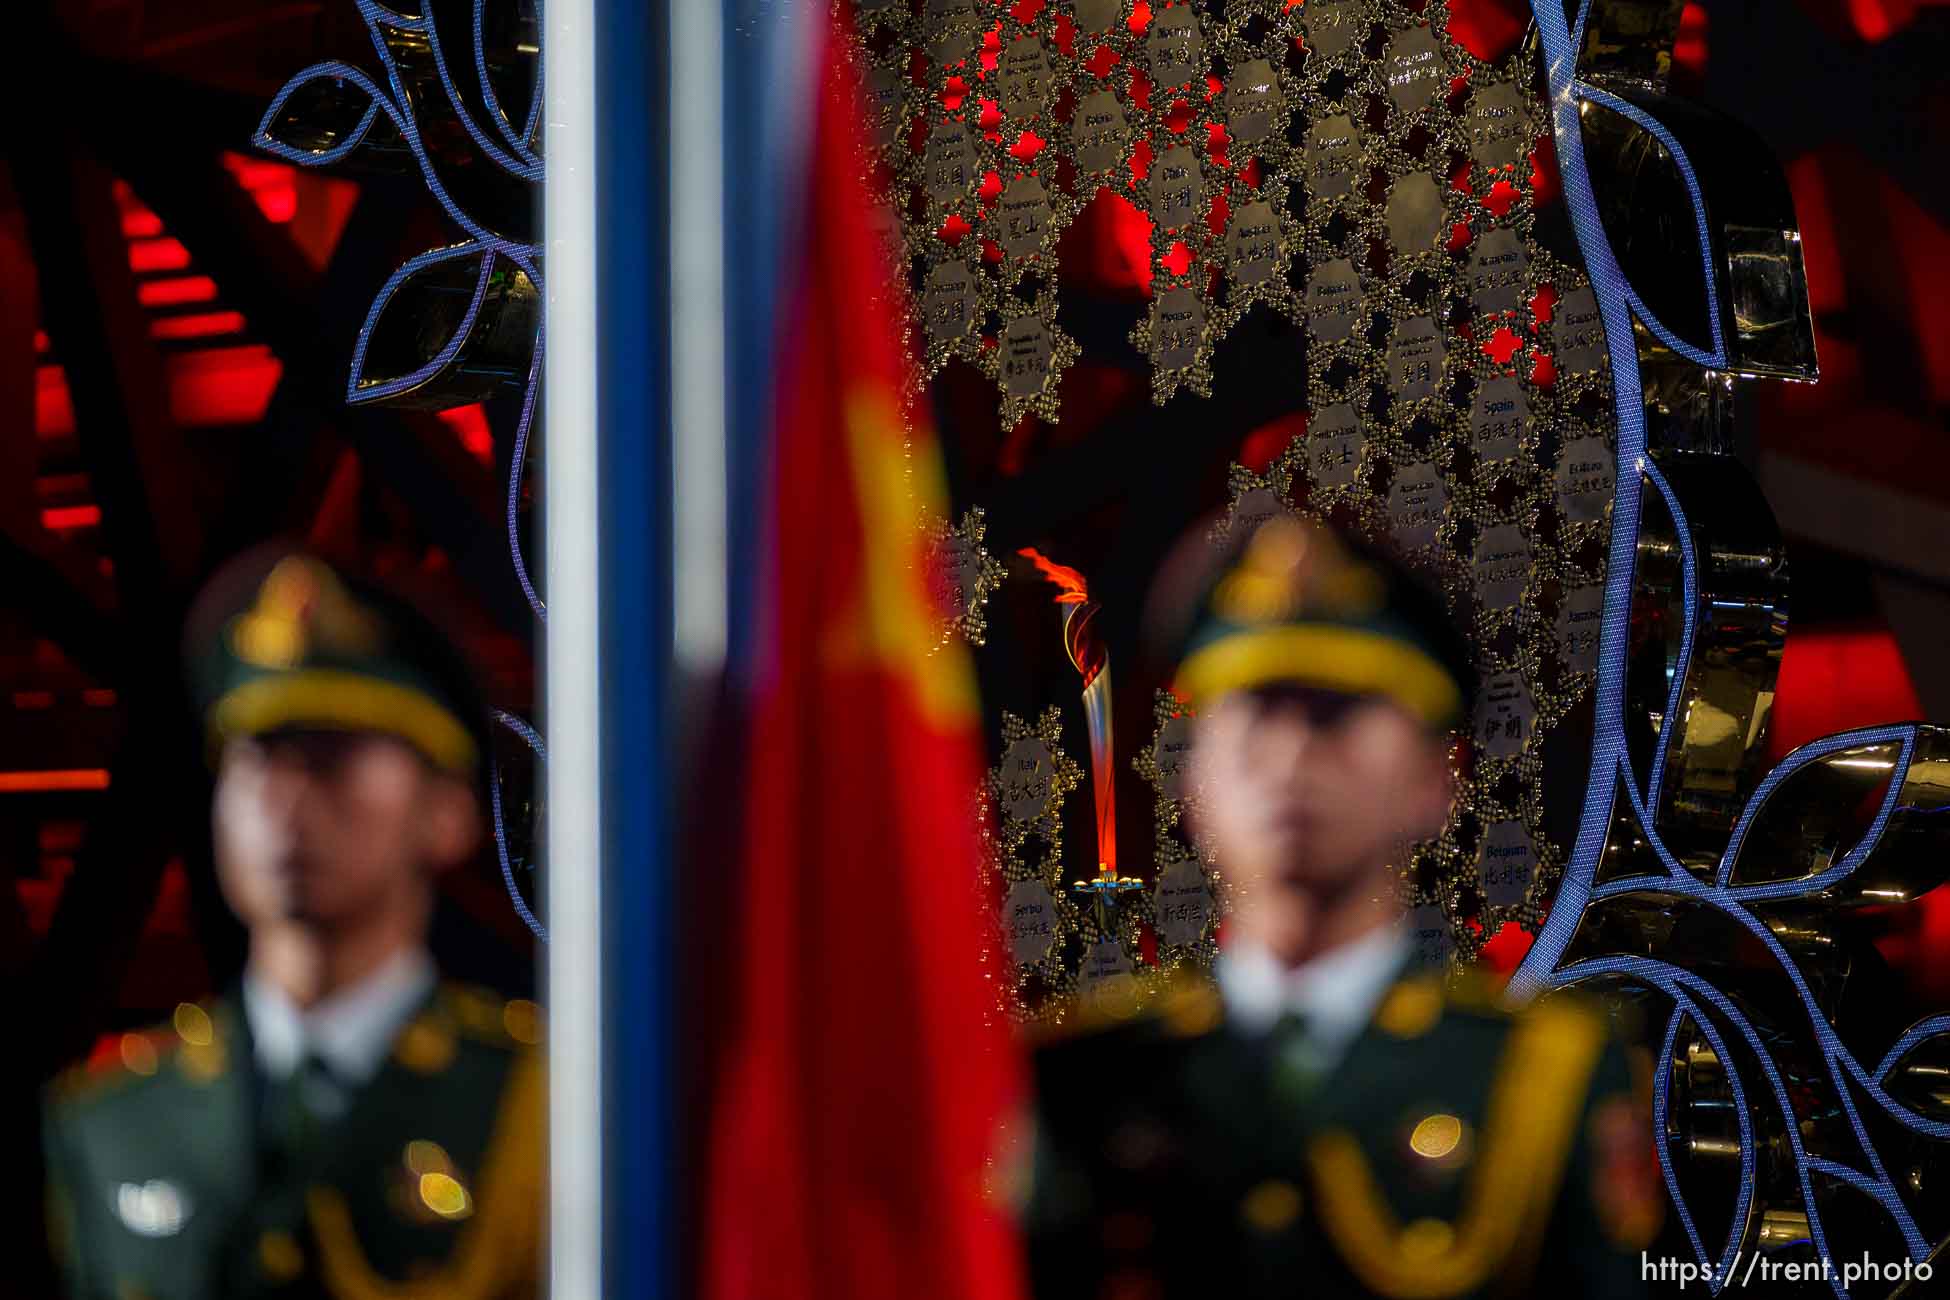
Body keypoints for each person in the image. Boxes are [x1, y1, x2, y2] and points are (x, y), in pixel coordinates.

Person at [1025, 515, 1658, 1299]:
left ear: (1436, 781)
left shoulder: (1540, 1075)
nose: (1291, 756)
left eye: (1336, 715)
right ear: (1190, 783)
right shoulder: (1088, 1079)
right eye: (1256, 713)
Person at [42, 548, 542, 1300]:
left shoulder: (542, 1109)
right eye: (259, 758)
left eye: (333, 758)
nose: (286, 801)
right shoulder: (111, 1120)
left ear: (448, 813)